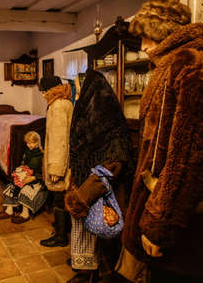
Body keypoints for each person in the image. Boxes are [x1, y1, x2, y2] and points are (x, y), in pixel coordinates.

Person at [120, 0, 203, 282]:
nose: (143, 45)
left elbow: (188, 160)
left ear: (163, 32)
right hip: (154, 208)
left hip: (176, 223)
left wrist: (160, 225)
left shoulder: (191, 68)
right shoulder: (166, 69)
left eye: (146, 36)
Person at [64, 67, 134, 283]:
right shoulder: (90, 124)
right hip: (86, 191)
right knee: (87, 235)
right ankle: (87, 271)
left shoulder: (111, 127)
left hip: (103, 196)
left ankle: (101, 274)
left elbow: (113, 162)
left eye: (79, 89)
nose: (76, 94)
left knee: (104, 240)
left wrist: (82, 196)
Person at [37, 76, 73, 248]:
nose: (43, 95)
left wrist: (56, 168)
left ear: (50, 90)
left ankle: (60, 236)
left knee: (59, 199)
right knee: (62, 198)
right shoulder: (65, 102)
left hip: (60, 163)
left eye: (43, 91)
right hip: (66, 160)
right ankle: (62, 229)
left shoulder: (57, 106)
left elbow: (59, 140)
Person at [0, 131, 47, 223]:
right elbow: (24, 163)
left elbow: (44, 173)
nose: (29, 145)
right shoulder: (27, 152)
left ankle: (25, 213)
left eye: (31, 143)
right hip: (26, 176)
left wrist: (34, 177)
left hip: (36, 179)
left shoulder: (43, 155)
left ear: (37, 142)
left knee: (26, 190)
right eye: (27, 143)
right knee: (12, 186)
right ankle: (9, 210)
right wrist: (21, 168)